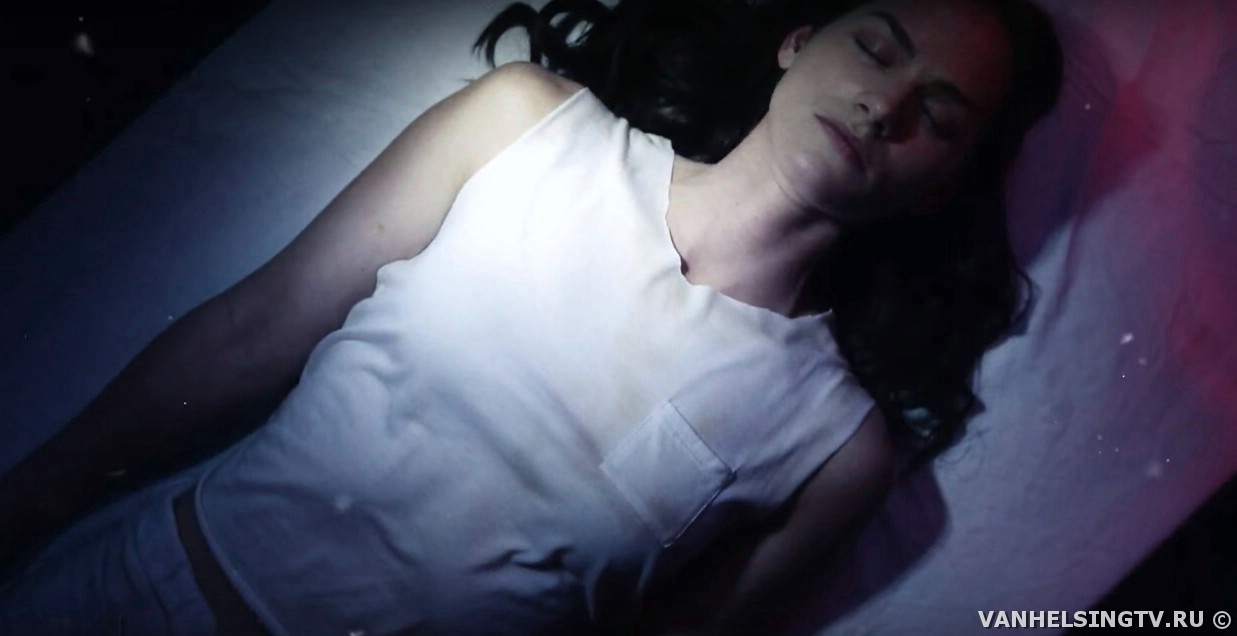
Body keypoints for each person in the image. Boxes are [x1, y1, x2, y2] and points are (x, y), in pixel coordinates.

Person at [0, 0, 1063, 633]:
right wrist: (29, 496)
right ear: (797, 42)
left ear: (941, 186)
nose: (884, 105)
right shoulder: (532, 127)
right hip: (137, 594)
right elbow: (255, 328)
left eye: (939, 114)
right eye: (876, 47)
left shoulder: (836, 446)